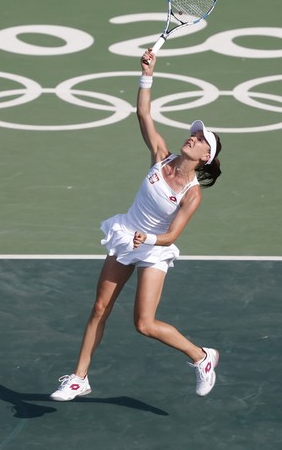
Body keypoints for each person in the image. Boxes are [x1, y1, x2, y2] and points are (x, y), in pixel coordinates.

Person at [50, 49, 223, 402]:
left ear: (206, 156)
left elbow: (173, 235)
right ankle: (79, 378)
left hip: (154, 247)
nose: (192, 137)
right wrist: (147, 73)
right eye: (194, 133)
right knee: (100, 307)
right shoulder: (160, 156)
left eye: (201, 138)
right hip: (127, 234)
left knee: (144, 324)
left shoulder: (192, 195)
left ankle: (202, 357)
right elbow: (143, 113)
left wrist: (152, 238)